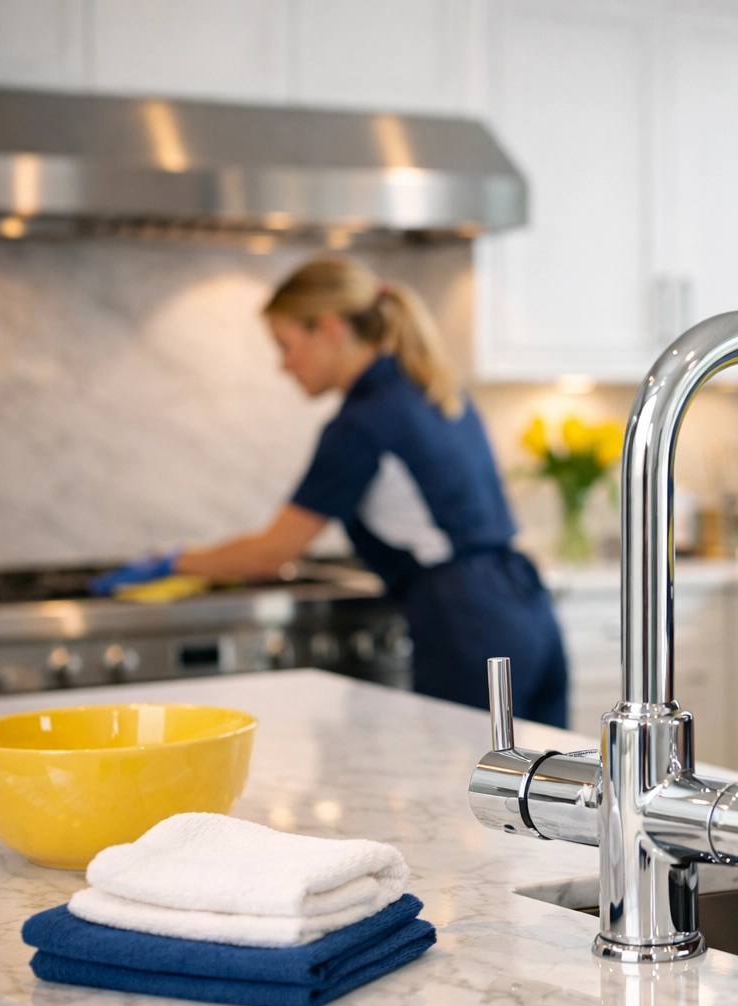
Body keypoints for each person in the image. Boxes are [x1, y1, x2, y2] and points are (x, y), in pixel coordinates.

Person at [93, 256, 568, 725]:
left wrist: (174, 561)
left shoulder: (363, 423)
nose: (284, 366)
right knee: (547, 791)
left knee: (472, 791)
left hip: (467, 622)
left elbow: (272, 553)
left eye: (285, 344)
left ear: (330, 328)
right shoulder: (434, 388)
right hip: (529, 608)